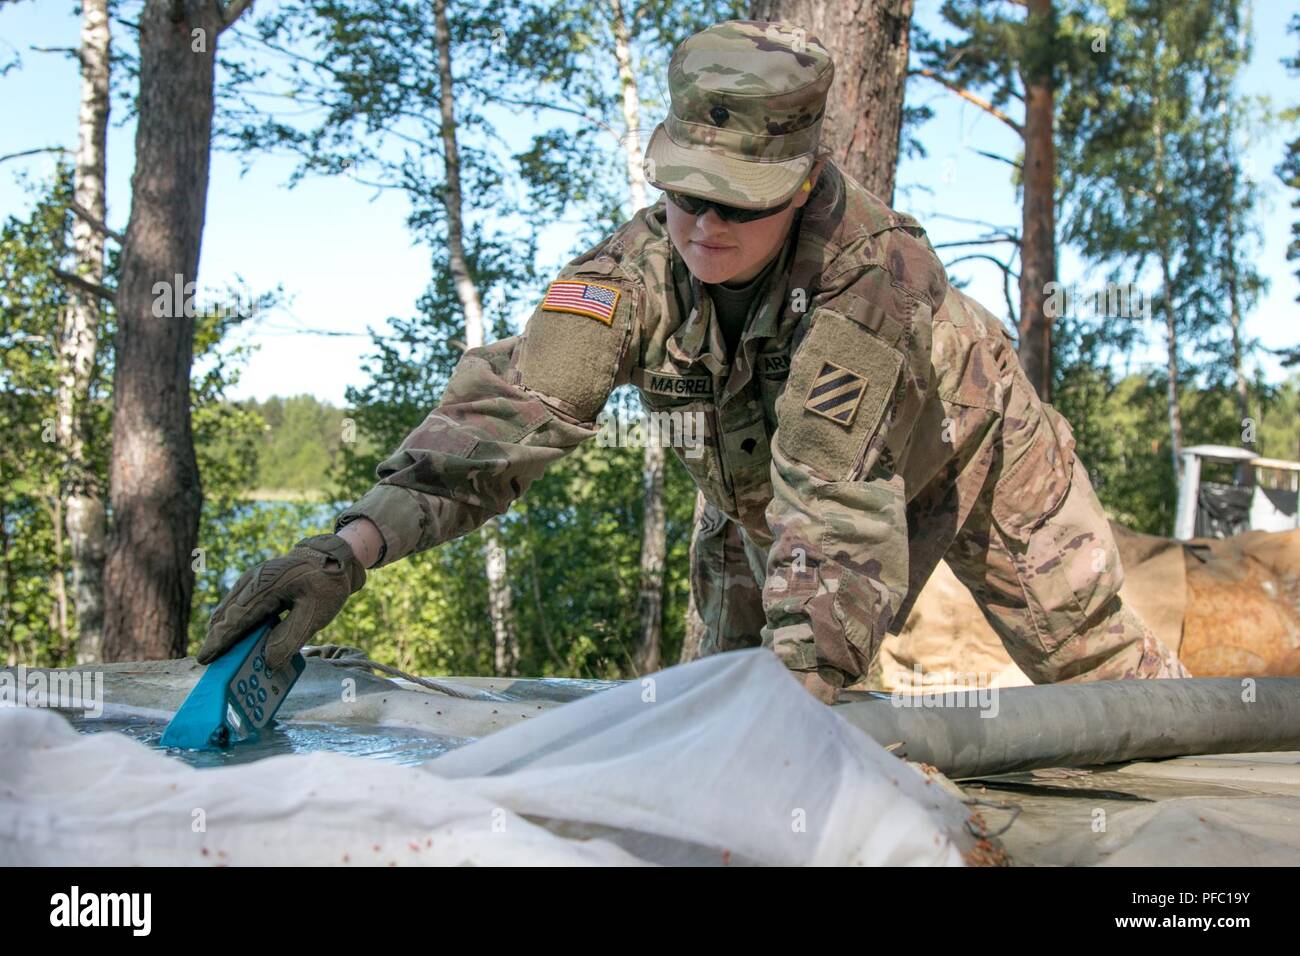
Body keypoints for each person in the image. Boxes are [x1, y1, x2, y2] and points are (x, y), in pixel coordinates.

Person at [199, 19, 1189, 703]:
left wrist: (801, 687)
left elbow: (835, 508)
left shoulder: (870, 277)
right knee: (714, 697)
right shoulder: (636, 265)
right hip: (759, 481)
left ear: (801, 187)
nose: (703, 226)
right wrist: (348, 550)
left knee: (1097, 681)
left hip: (965, 452)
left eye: (739, 201)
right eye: (684, 195)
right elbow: (511, 412)